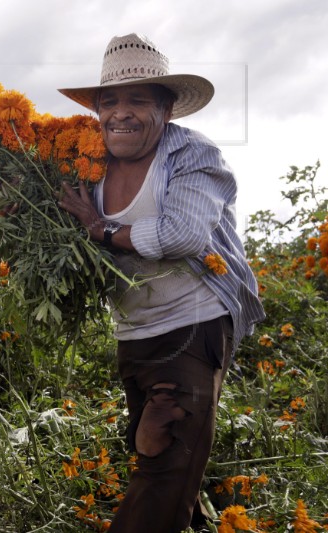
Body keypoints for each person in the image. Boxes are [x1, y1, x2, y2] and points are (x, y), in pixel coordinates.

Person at [56, 33, 265, 532]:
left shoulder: (196, 157)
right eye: (110, 101)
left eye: (138, 100)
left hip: (194, 325)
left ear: (167, 108)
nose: (120, 113)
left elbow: (183, 235)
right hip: (134, 332)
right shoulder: (88, 161)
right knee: (162, 463)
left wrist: (101, 228)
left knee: (164, 461)